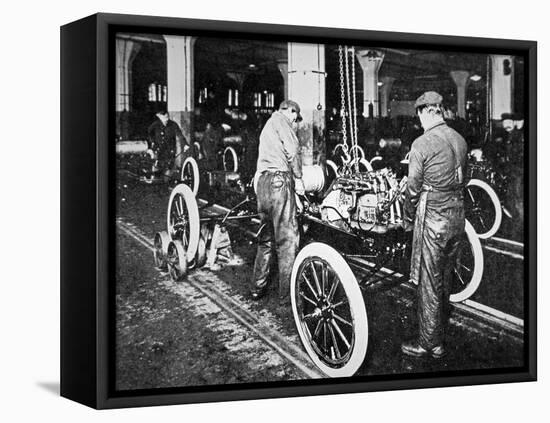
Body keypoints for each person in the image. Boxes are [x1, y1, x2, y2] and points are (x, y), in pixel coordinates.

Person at [402, 91, 468, 359]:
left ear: (424, 112)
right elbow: (465, 178)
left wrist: (407, 220)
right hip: (457, 216)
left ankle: (429, 344)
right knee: (445, 278)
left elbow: (413, 188)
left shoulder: (422, 143)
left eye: (419, 115)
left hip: (434, 218)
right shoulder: (459, 139)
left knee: (429, 281)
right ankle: (438, 336)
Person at [250, 100, 305, 306]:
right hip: (279, 182)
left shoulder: (268, 126)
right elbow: (293, 150)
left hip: (263, 183)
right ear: (289, 111)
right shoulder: (282, 122)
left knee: (266, 238)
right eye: (295, 116)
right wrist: (299, 179)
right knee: (287, 239)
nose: (295, 121)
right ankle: (288, 295)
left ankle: (257, 287)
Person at [147, 110, 189, 179]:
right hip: (158, 151)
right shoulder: (155, 125)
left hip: (170, 151)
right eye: (164, 118)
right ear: (159, 117)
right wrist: (150, 146)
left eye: (167, 117)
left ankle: (166, 184)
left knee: (169, 170)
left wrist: (185, 144)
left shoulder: (173, 124)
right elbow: (148, 134)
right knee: (157, 171)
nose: (166, 120)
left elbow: (180, 135)